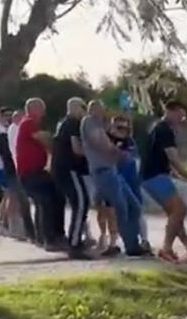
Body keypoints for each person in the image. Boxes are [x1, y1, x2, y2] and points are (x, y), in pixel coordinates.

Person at [80, 100, 146, 257]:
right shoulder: (89, 122)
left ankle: (133, 243)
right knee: (121, 208)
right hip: (103, 171)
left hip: (111, 170)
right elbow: (100, 144)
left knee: (134, 206)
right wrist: (118, 152)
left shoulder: (100, 126)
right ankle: (131, 246)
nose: (103, 111)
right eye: (100, 109)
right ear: (92, 110)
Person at [142, 99, 187, 262]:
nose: (181, 120)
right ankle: (166, 248)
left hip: (153, 175)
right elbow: (174, 160)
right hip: (154, 176)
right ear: (171, 111)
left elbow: (162, 159)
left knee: (175, 213)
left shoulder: (158, 127)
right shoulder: (164, 130)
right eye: (180, 115)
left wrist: (174, 175)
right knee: (179, 210)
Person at [15, 97, 63, 251]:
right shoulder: (28, 123)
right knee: (46, 202)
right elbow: (43, 139)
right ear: (34, 109)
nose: (44, 113)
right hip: (30, 173)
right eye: (42, 109)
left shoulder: (31, 124)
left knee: (52, 199)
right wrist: (52, 140)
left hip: (37, 171)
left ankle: (47, 236)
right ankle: (49, 239)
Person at [51, 97, 91, 259]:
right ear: (76, 108)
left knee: (80, 203)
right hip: (69, 169)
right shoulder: (73, 124)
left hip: (62, 169)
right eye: (83, 108)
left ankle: (76, 240)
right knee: (81, 203)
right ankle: (74, 244)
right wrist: (92, 152)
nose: (84, 112)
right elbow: (76, 148)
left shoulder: (62, 123)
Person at [110, 114, 150, 251]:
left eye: (124, 127)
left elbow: (131, 159)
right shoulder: (108, 140)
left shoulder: (129, 142)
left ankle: (144, 240)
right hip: (117, 180)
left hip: (131, 180)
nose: (121, 130)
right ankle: (116, 242)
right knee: (117, 212)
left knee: (136, 210)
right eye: (118, 126)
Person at [5, 109, 37, 241]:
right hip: (18, 168)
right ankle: (28, 231)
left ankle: (16, 227)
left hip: (17, 167)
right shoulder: (15, 129)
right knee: (23, 200)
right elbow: (15, 150)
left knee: (17, 199)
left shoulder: (13, 129)